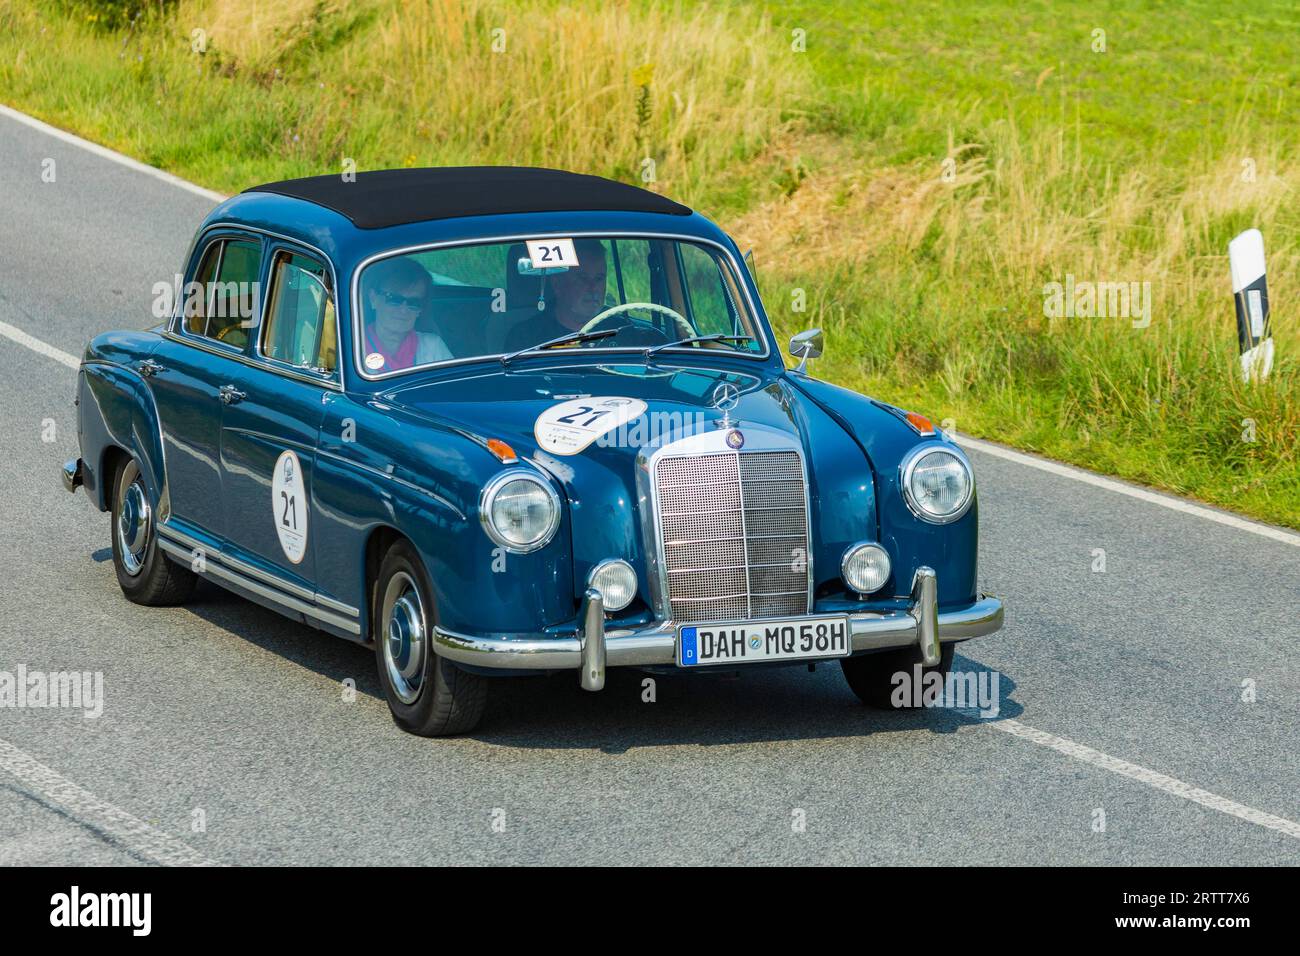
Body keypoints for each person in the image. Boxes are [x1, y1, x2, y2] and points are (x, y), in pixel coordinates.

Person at [504, 238, 610, 353]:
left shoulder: (621, 331)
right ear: (557, 284)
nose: (593, 288)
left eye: (599, 278)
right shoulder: (526, 339)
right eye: (583, 278)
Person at [360, 257, 452, 372]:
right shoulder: (353, 349)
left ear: (420, 309)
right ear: (373, 299)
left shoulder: (433, 347)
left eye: (414, 302)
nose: (404, 310)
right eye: (394, 299)